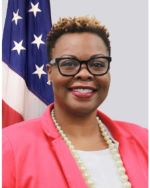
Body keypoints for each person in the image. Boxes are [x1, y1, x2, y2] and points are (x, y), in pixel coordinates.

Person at [3, 16, 148, 188]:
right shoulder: (9, 146)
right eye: (69, 64)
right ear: (49, 72)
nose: (85, 74)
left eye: (97, 64)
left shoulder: (144, 140)